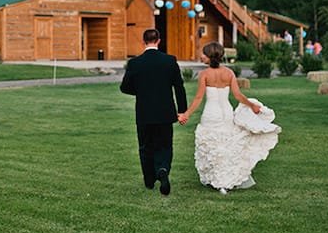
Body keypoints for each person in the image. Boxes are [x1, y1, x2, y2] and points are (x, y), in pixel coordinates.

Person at [178, 42, 280, 195]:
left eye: (203, 54)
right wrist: (251, 105)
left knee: (213, 145)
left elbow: (199, 98)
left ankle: (218, 180)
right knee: (225, 146)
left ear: (210, 56)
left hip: (211, 113)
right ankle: (224, 181)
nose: (201, 56)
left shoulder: (204, 74)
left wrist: (186, 114)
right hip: (226, 112)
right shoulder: (229, 73)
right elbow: (238, 95)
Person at [120, 29, 187, 196]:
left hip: (144, 112)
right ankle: (163, 169)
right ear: (159, 41)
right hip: (165, 112)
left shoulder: (135, 63)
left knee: (145, 146)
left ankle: (149, 180)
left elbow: (125, 87)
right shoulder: (170, 61)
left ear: (144, 42)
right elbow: (179, 87)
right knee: (164, 144)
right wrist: (182, 110)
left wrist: (142, 92)